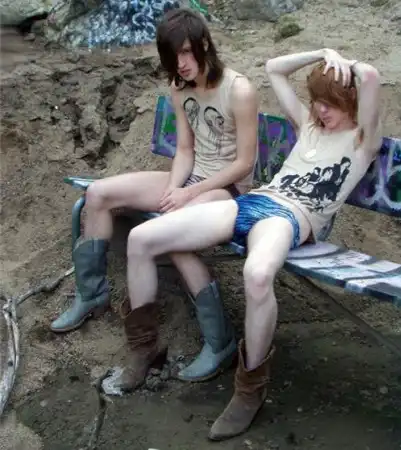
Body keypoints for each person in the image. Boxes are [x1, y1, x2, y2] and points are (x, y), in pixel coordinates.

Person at [108, 48, 382, 439]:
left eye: (331, 103)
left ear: (350, 101)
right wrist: (322, 54)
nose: (321, 110)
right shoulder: (308, 125)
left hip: (288, 217)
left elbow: (370, 77)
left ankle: (249, 389)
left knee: (257, 274)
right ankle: (144, 349)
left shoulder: (362, 140)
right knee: (141, 238)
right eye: (318, 101)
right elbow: (274, 68)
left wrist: (347, 65)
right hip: (253, 203)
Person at [50, 8, 259, 384]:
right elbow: (185, 150)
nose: (181, 64)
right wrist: (176, 188)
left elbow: (244, 164)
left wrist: (190, 192)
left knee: (170, 233)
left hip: (228, 191)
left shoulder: (239, 89)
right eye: (172, 56)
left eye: (186, 52)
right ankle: (94, 297)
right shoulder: (181, 88)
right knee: (98, 193)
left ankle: (220, 342)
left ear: (204, 43)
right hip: (192, 179)